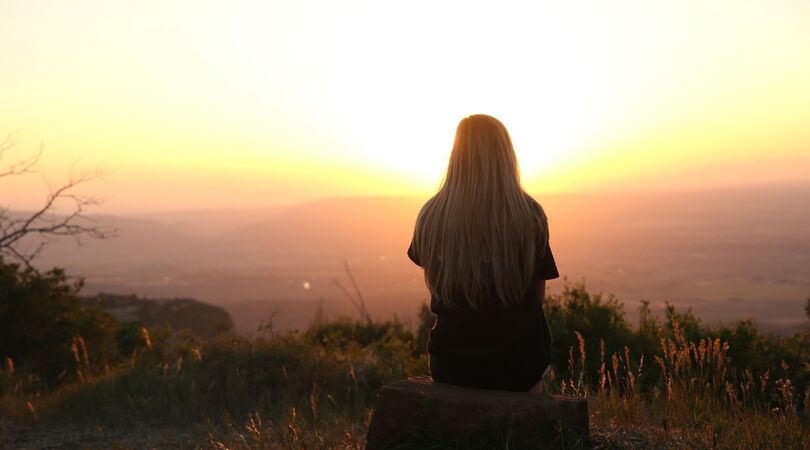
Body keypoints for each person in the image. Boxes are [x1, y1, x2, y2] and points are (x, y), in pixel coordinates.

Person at [407, 114, 559, 392]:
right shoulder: (530, 216)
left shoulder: (430, 216)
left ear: (456, 156)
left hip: (451, 364)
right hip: (519, 365)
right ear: (506, 156)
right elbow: (537, 299)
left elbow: (438, 285)